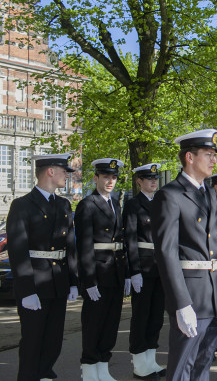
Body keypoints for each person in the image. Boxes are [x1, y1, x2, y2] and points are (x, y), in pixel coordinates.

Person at [152, 129, 217, 381]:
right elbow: (166, 253)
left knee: (204, 361)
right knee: (182, 366)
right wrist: (180, 303)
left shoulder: (209, 192)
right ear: (189, 157)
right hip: (193, 295)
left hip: (216, 293)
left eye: (214, 155)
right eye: (209, 155)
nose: (214, 160)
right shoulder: (170, 195)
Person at [6, 153, 78, 381]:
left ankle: (44, 373)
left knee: (53, 339)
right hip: (35, 282)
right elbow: (18, 250)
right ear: (50, 171)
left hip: (57, 281)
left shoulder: (64, 204)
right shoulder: (22, 205)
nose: (67, 175)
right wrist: (26, 290)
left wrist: (74, 281)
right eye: (64, 171)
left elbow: (70, 246)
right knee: (33, 339)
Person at [76, 158, 128, 381]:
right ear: (95, 178)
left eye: (114, 177)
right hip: (97, 272)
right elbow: (84, 244)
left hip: (115, 272)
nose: (110, 181)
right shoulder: (87, 204)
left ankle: (103, 367)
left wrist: (125, 273)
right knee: (94, 323)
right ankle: (89, 369)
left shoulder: (115, 203)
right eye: (106, 176)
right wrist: (88, 279)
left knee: (111, 322)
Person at [124, 162, 166, 379]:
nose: (153, 181)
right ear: (139, 181)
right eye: (148, 178)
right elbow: (130, 239)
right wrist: (134, 271)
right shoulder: (133, 205)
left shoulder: (160, 203)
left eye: (155, 178)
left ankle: (151, 359)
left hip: (160, 267)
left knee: (156, 316)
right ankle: (140, 363)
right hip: (143, 266)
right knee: (141, 316)